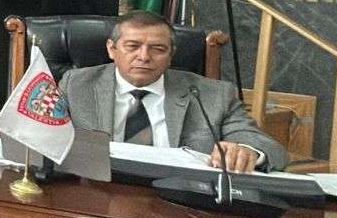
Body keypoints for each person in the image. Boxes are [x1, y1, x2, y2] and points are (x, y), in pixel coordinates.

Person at [60, 10, 287, 172]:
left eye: (158, 49)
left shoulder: (213, 94)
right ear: (111, 49)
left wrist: (246, 151)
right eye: (133, 46)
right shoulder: (76, 85)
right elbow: (45, 137)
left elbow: (267, 146)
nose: (144, 57)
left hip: (180, 199)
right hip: (97, 192)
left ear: (171, 54)